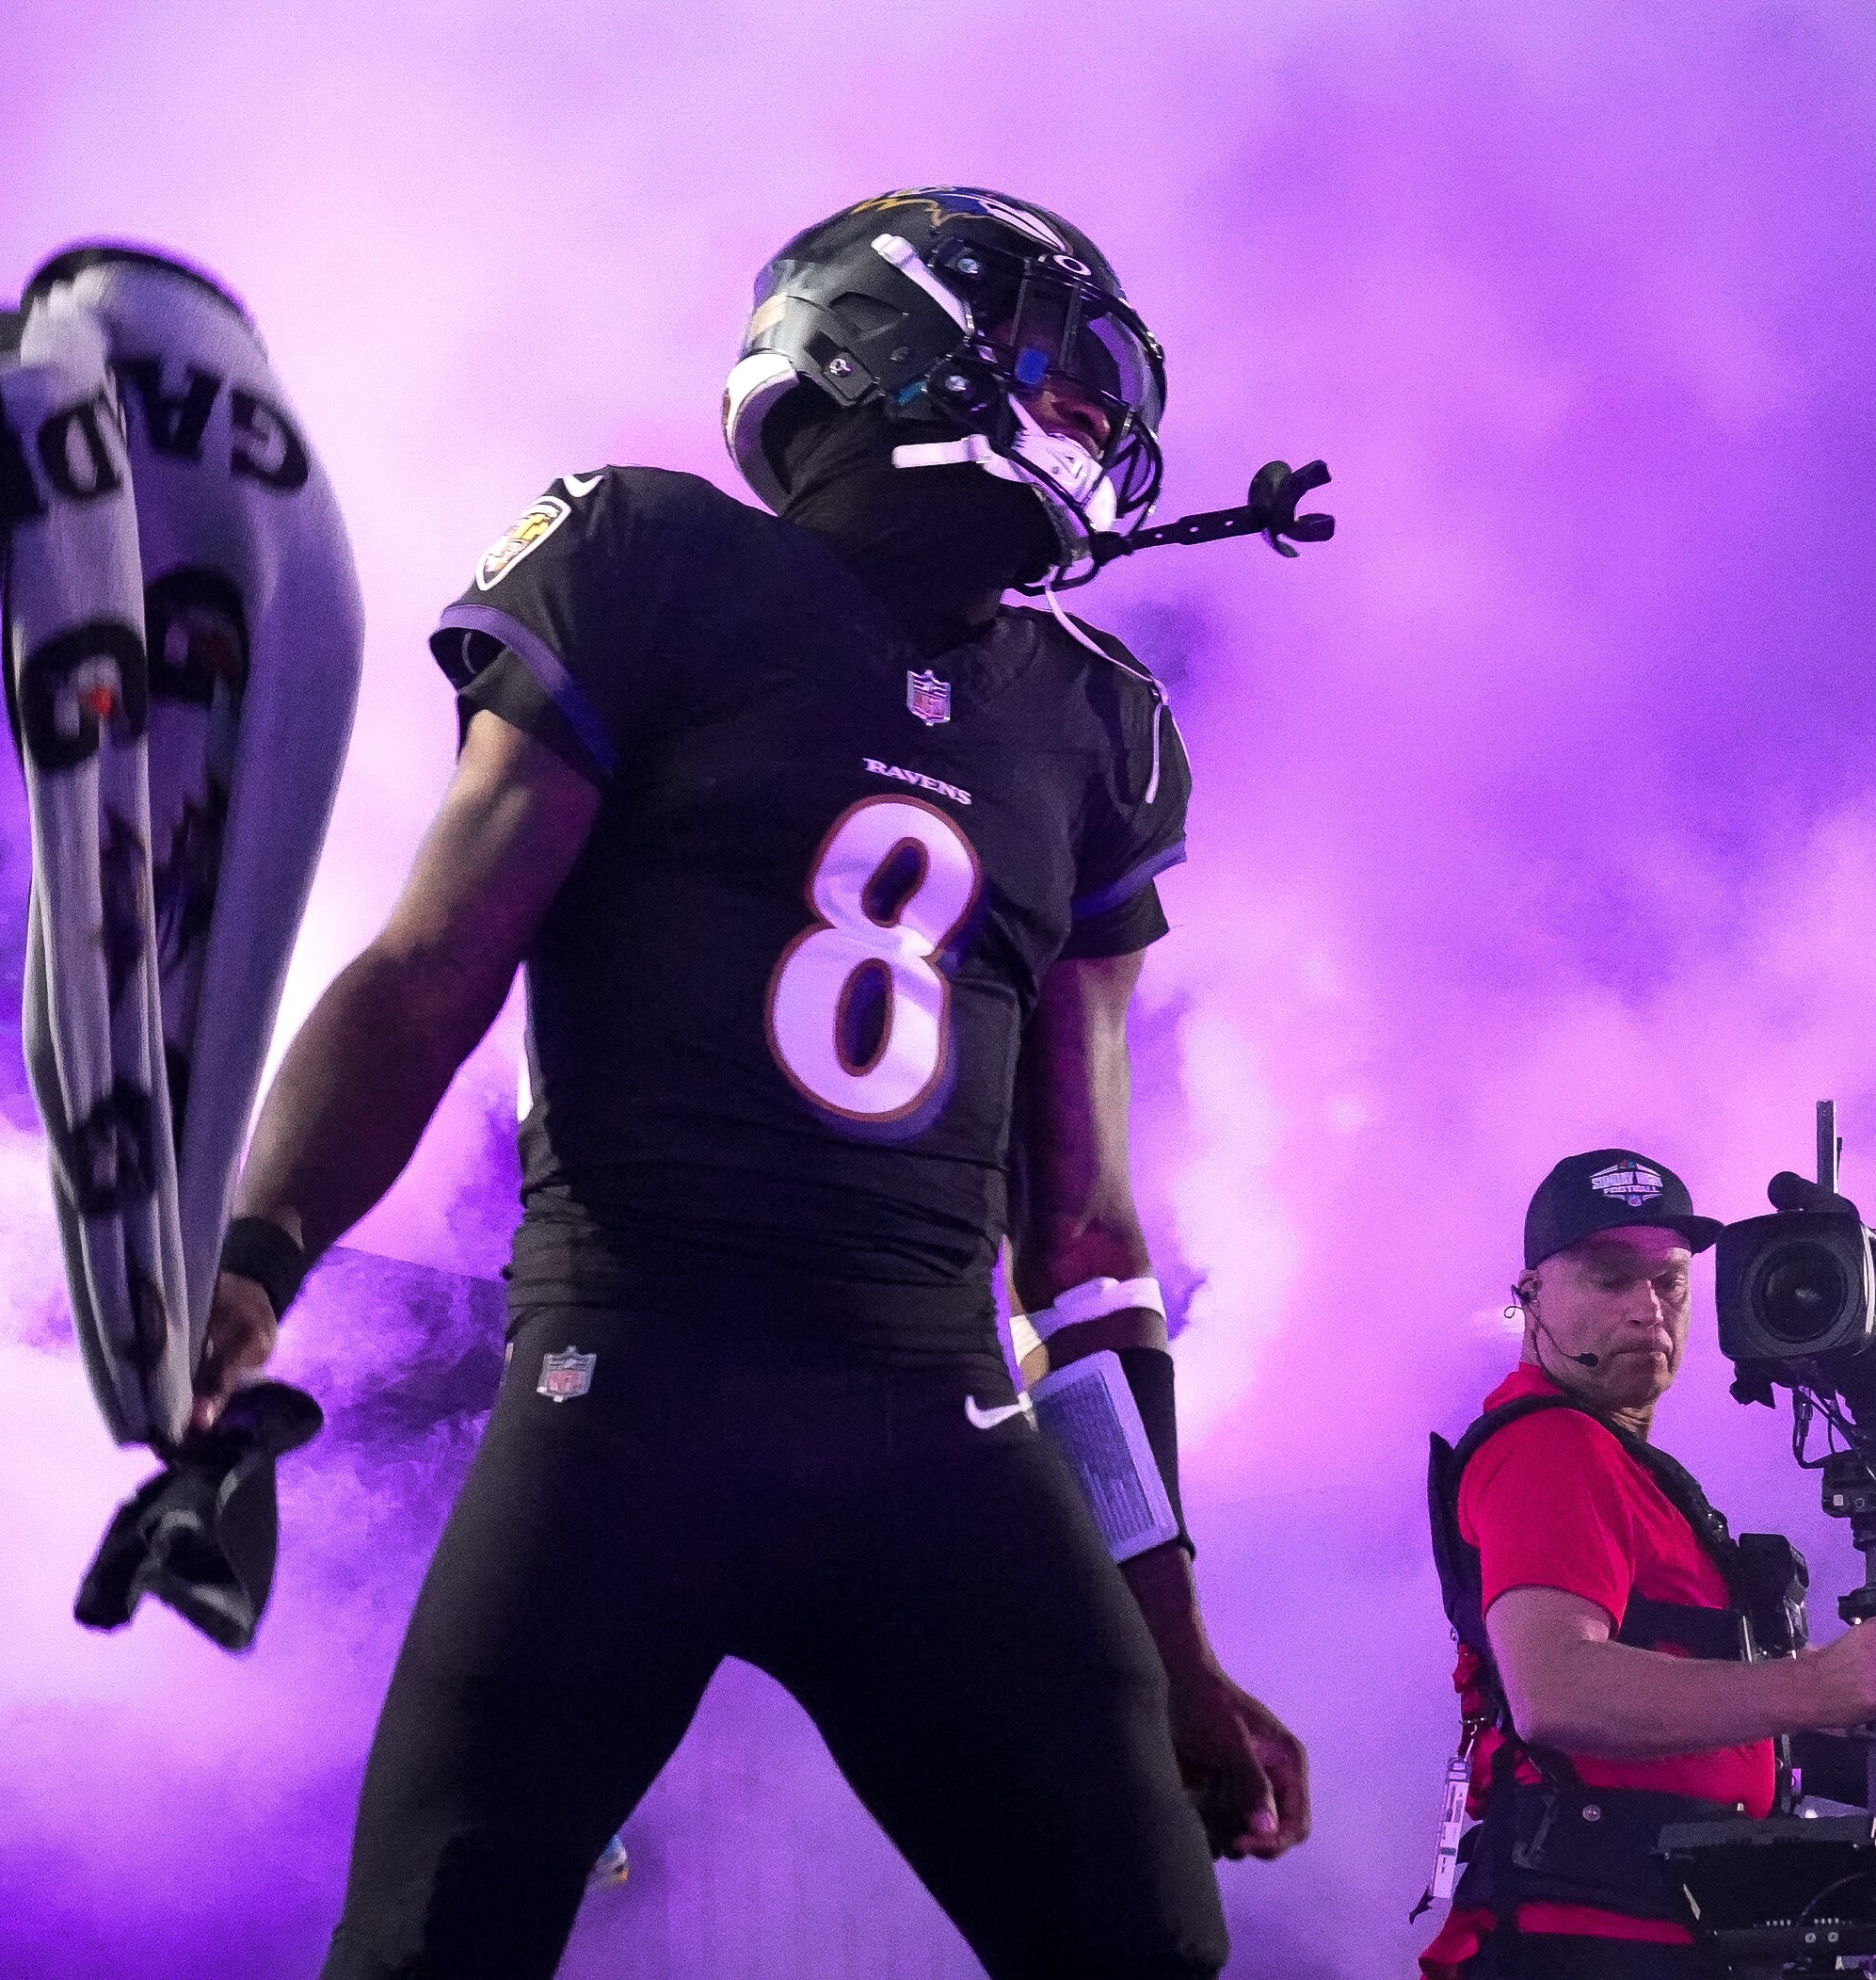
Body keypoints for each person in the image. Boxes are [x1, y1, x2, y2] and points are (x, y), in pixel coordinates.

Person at [192, 187, 1309, 1978]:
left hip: (941, 1433)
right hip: (632, 1384)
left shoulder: (1098, 723)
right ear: (882, 337)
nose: (1100, 420)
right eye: (1062, 362)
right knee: (429, 1950)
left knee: (1153, 1956)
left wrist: (1170, 1636)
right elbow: (431, 966)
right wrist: (256, 1253)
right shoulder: (648, 554)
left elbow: (1086, 1237)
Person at [1417, 1149, 1876, 1980]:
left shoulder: (1617, 1465)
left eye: (1669, 1283)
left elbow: (1721, 1696)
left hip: (1659, 1934)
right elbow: (1558, 1689)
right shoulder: (1551, 1446)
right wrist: (1819, 1683)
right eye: (1610, 1277)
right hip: (1585, 1943)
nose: (1645, 1308)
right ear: (1530, 1294)